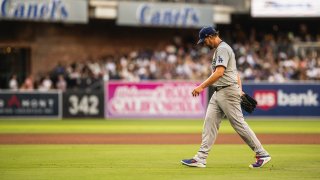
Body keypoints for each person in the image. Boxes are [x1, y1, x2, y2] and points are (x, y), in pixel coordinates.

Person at [181, 26, 271, 168]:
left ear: (210, 36)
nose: (204, 44)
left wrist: (201, 87)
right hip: (220, 92)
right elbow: (235, 73)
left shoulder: (223, 48)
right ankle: (201, 158)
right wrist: (240, 90)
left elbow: (219, 73)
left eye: (204, 41)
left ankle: (262, 153)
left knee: (239, 124)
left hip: (227, 92)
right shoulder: (220, 50)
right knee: (209, 123)